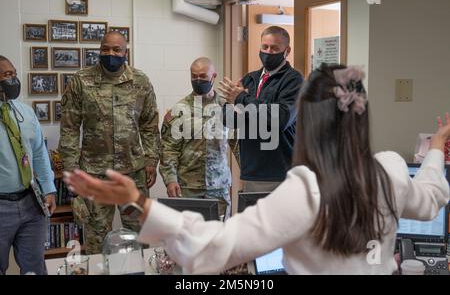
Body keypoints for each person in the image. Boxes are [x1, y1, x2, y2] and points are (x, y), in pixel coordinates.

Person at [64, 64, 450, 275]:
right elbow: (431, 197)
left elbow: (213, 247)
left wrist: (138, 202)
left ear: (308, 122)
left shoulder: (305, 190)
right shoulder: (391, 170)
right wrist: (435, 149)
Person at [59, 31, 161, 255]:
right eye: (105, 49)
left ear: (126, 53)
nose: (110, 54)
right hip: (95, 174)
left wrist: (152, 160)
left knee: (140, 238)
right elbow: (69, 129)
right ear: (99, 50)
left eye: (116, 50)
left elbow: (150, 124)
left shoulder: (140, 82)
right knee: (96, 240)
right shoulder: (81, 81)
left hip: (133, 174)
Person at [219, 26, 304, 192]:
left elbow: (279, 119)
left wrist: (241, 99)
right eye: (264, 47)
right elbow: (229, 120)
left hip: (280, 172)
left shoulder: (294, 80)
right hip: (251, 171)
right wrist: (231, 102)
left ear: (287, 51)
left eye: (274, 48)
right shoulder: (250, 78)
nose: (268, 52)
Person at [0, 56, 56, 275]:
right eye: (7, 75)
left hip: (31, 202)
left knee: (34, 268)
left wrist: (49, 188)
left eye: (13, 74)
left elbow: (39, 153)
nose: (13, 79)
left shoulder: (25, 112)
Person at [159, 57, 231, 218]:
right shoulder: (178, 110)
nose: (198, 80)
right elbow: (168, 150)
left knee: (220, 238)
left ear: (214, 76)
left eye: (203, 76)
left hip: (219, 187)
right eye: (194, 76)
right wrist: (170, 179)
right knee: (188, 238)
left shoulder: (227, 108)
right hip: (187, 188)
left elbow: (240, 146)